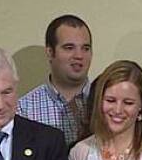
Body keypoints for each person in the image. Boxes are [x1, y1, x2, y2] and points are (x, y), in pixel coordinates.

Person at [18, 14, 93, 147]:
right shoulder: (24, 110)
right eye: (69, 48)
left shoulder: (108, 104)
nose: (79, 56)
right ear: (50, 52)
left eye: (85, 48)